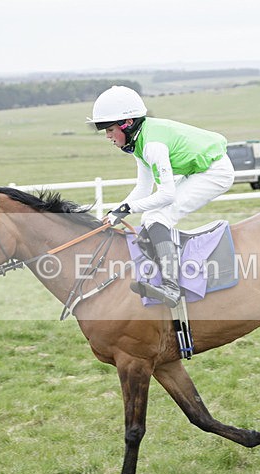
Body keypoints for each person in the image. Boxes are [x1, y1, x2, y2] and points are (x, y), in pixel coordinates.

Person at [88, 85, 235, 308]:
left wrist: (126, 209)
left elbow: (167, 195)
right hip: (201, 171)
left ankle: (172, 287)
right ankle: (164, 275)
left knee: (158, 217)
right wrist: (115, 212)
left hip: (215, 172)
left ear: (127, 124)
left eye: (109, 130)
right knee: (149, 217)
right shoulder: (139, 141)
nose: (108, 136)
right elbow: (143, 189)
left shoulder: (152, 145)